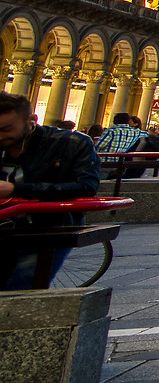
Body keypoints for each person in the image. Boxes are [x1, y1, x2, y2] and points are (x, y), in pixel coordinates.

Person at [0, 93, 103, 288]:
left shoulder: (72, 143)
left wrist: (16, 189)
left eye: (7, 129)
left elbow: (86, 186)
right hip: (5, 225)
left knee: (20, 286)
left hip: (49, 228)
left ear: (31, 121)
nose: (0, 136)